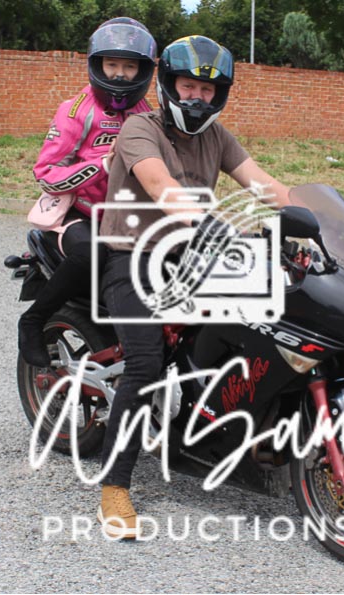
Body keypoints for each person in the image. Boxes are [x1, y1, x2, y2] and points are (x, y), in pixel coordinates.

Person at [95, 35, 291, 539]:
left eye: (208, 90)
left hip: (193, 252)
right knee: (145, 364)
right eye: (189, 86)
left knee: (269, 319)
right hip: (132, 255)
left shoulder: (217, 137)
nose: (198, 97)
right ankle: (115, 486)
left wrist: (320, 223)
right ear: (168, 85)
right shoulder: (139, 128)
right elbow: (161, 187)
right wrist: (214, 227)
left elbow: (265, 185)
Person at [17, 17, 157, 368]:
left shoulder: (146, 113)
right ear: (98, 65)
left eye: (129, 66)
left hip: (126, 218)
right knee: (92, 254)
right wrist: (102, 165)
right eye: (112, 65)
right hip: (79, 214)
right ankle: (32, 321)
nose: (120, 75)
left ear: (143, 70)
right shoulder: (76, 111)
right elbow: (46, 174)